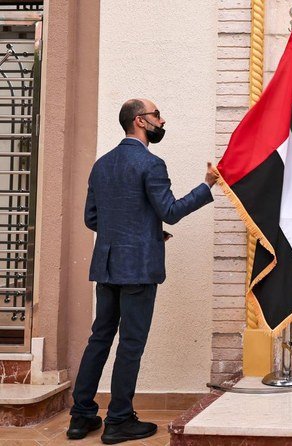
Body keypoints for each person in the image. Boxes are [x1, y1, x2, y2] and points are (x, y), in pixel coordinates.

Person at [67, 98, 218, 444]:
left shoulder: (101, 165)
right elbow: (171, 210)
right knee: (131, 345)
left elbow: (93, 218)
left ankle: (81, 417)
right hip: (138, 270)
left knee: (99, 338)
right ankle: (119, 420)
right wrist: (207, 184)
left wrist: (139, 231)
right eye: (156, 115)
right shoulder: (151, 164)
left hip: (106, 267)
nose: (162, 120)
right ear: (140, 121)